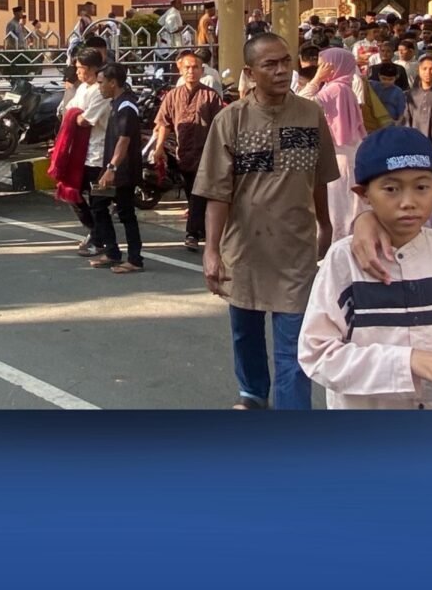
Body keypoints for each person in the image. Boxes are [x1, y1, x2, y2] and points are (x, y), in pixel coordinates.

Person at [195, 33, 339, 410]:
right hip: (244, 248)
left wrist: (326, 225)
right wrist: (212, 250)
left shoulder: (311, 114)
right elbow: (217, 192)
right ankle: (253, 393)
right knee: (246, 331)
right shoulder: (231, 120)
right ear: (250, 72)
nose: (280, 71)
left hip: (296, 248)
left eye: (285, 62)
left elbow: (320, 177)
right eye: (269, 65)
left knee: (294, 344)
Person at [298, 128, 432, 409]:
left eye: (421, 187)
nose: (408, 202)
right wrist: (408, 361)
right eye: (391, 189)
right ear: (363, 194)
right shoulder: (343, 261)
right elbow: (317, 353)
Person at [153, 50, 223, 251]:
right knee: (192, 193)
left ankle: (191, 234)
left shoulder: (210, 96)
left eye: (195, 68)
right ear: (180, 69)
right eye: (187, 68)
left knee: (198, 194)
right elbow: (163, 123)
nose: (191, 71)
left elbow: (220, 126)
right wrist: (159, 148)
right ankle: (200, 230)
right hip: (182, 154)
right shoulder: (173, 96)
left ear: (202, 71)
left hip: (205, 155)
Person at [297, 48, 367, 242]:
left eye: (324, 65)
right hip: (348, 153)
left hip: (338, 155)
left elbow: (301, 104)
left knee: (340, 208)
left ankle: (340, 249)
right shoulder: (344, 87)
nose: (321, 68)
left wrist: (316, 79)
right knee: (347, 206)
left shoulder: (334, 89)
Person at [90, 63, 144, 273]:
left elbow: (124, 141)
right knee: (98, 205)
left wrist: (112, 168)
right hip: (113, 168)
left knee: (126, 213)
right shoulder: (116, 103)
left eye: (102, 83)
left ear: (113, 83)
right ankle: (112, 252)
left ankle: (135, 259)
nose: (99, 87)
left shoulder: (126, 107)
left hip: (123, 170)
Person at [62, 48, 111, 256]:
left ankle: (101, 242)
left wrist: (75, 115)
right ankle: (95, 232)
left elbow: (84, 120)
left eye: (80, 68)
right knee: (71, 192)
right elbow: (69, 110)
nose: (77, 71)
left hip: (100, 156)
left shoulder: (101, 93)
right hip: (81, 155)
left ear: (91, 69)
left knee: (99, 202)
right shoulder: (82, 88)